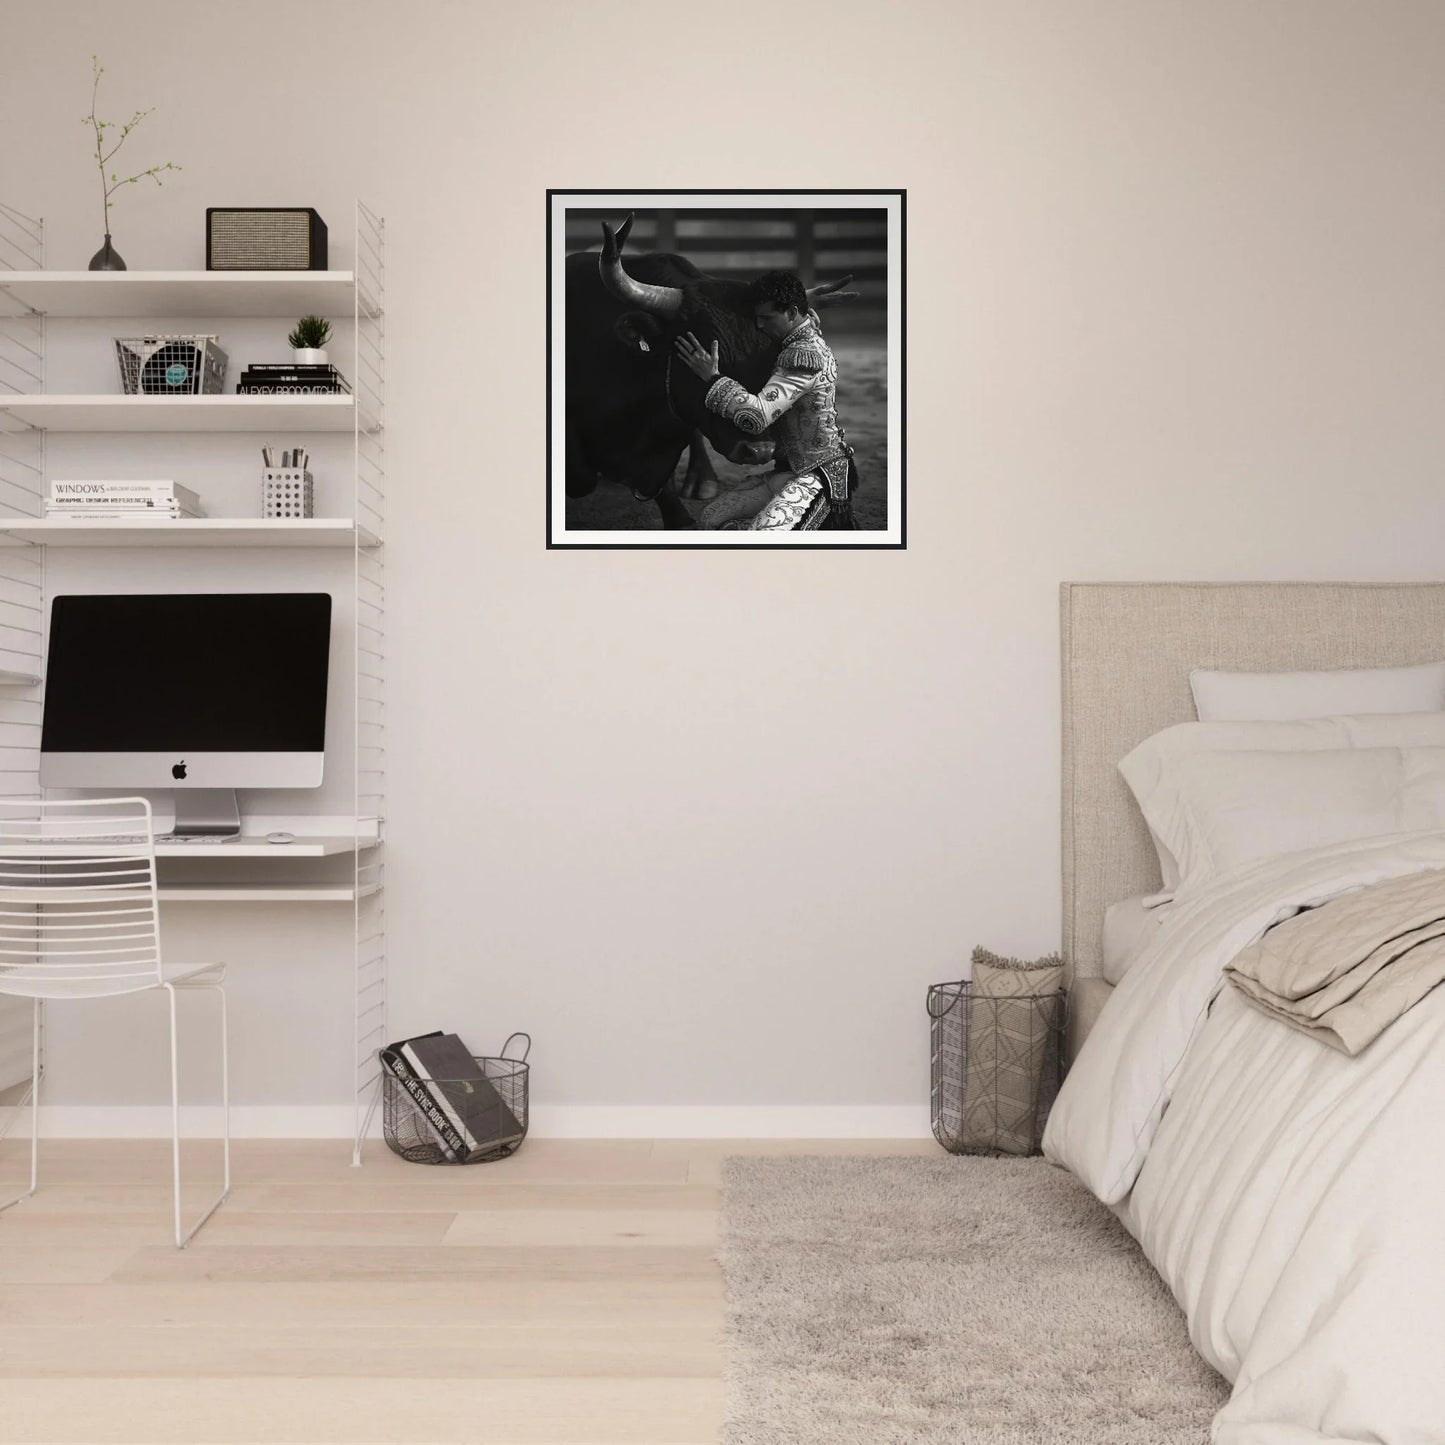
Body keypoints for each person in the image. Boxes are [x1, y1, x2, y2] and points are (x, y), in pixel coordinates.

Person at [673, 271, 858, 530]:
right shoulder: (797, 334)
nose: (759, 325)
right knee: (711, 518)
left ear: (792, 313)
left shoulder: (803, 356)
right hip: (786, 473)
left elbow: (757, 417)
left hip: (820, 477)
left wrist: (712, 377)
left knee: (762, 534)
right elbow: (795, 314)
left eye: (766, 318)